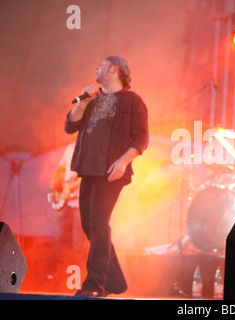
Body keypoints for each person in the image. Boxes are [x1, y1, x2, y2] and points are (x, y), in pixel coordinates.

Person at [65, 56, 149, 297]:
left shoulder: (132, 101)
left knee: (99, 223)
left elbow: (141, 138)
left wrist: (123, 162)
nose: (95, 68)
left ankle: (95, 285)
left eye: (100, 65)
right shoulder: (92, 100)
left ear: (115, 69)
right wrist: (82, 102)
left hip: (110, 171)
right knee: (88, 225)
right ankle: (115, 281)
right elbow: (70, 126)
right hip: (88, 170)